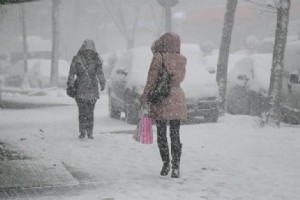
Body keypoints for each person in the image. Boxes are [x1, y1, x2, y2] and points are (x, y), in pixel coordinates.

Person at [141, 32, 187, 178]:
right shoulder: (182, 59)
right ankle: (176, 167)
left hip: (162, 98)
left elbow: (151, 79)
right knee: (175, 134)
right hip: (177, 97)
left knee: (161, 134)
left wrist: (145, 95)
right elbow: (179, 78)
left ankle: (166, 163)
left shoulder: (159, 57)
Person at [67, 39, 106, 139]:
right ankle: (84, 131)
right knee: (84, 111)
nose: (88, 51)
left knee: (88, 112)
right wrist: (70, 85)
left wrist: (102, 83)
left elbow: (100, 72)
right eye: (87, 49)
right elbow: (72, 73)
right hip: (82, 89)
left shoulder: (94, 59)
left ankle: (88, 131)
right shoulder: (78, 59)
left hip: (88, 88)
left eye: (89, 49)